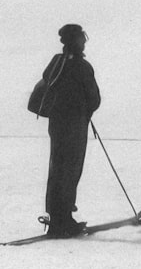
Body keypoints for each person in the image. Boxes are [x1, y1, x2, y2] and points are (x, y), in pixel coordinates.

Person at [41, 23, 101, 238]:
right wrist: (85, 111)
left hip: (56, 125)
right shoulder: (82, 67)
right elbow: (94, 99)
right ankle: (64, 221)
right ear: (77, 40)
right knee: (70, 171)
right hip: (74, 125)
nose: (85, 41)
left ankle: (56, 218)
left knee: (57, 169)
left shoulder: (56, 63)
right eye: (83, 37)